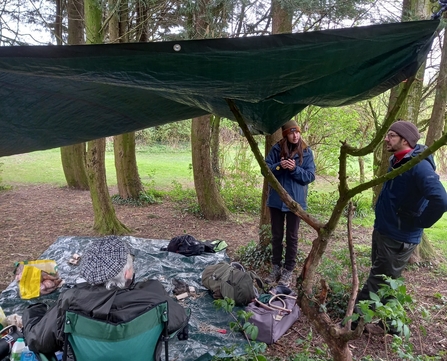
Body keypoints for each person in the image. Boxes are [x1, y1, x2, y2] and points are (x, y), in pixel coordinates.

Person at [22, 236, 189, 360]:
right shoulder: (153, 296)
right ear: (126, 273)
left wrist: (33, 312)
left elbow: (38, 341)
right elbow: (178, 319)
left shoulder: (71, 301)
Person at [354, 120, 447, 333]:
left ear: (405, 140)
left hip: (398, 236)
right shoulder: (398, 160)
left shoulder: (418, 165)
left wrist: (420, 221)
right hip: (385, 230)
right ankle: (393, 326)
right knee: (386, 280)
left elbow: (441, 200)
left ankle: (351, 325)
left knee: (377, 281)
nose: (386, 139)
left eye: (391, 135)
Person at [264, 120, 316, 287]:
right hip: (276, 201)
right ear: (286, 134)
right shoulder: (277, 149)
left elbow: (310, 176)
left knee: (292, 237)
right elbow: (265, 170)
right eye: (292, 133)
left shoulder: (306, 152)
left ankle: (288, 269)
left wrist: (294, 169)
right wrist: (279, 166)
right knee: (277, 235)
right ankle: (276, 267)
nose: (296, 135)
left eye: (298, 132)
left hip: (296, 202)